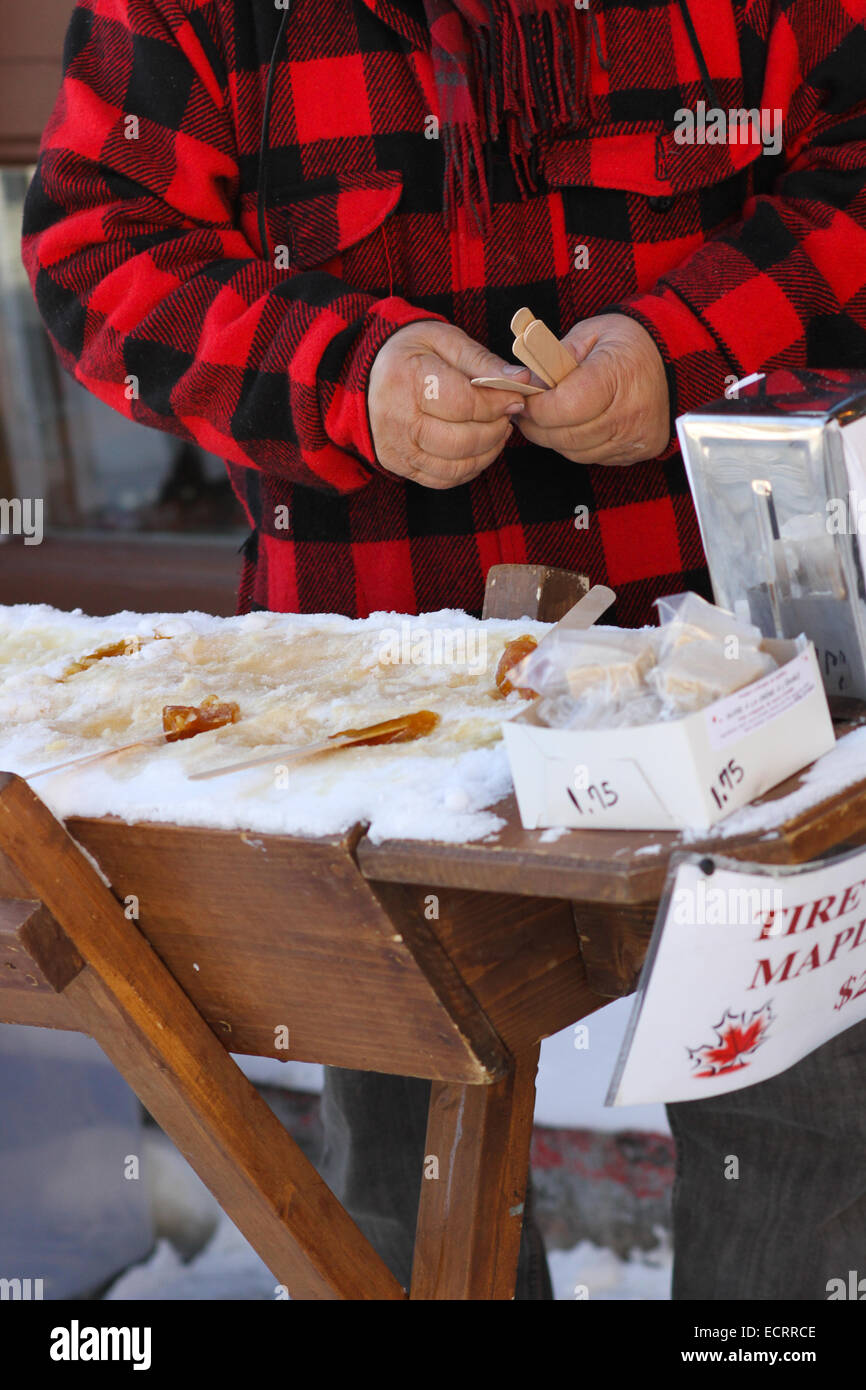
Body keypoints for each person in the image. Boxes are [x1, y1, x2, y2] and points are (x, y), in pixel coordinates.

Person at [22, 0, 866, 1298]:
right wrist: (335, 373)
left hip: (734, 668)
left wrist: (684, 347)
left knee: (806, 1129)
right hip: (374, 708)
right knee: (411, 1164)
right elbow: (94, 249)